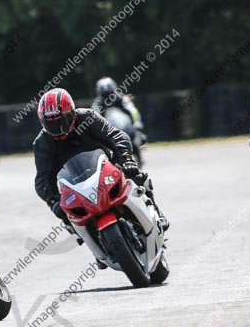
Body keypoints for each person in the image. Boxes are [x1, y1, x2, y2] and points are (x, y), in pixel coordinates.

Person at [32, 88, 169, 242]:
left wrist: (127, 159)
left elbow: (116, 136)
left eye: (61, 121)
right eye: (51, 124)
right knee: (65, 215)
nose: (58, 129)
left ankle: (156, 211)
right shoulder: (42, 143)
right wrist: (53, 201)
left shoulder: (87, 117)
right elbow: (42, 179)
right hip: (74, 184)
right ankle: (93, 241)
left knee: (137, 176)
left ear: (72, 112)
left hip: (106, 167)